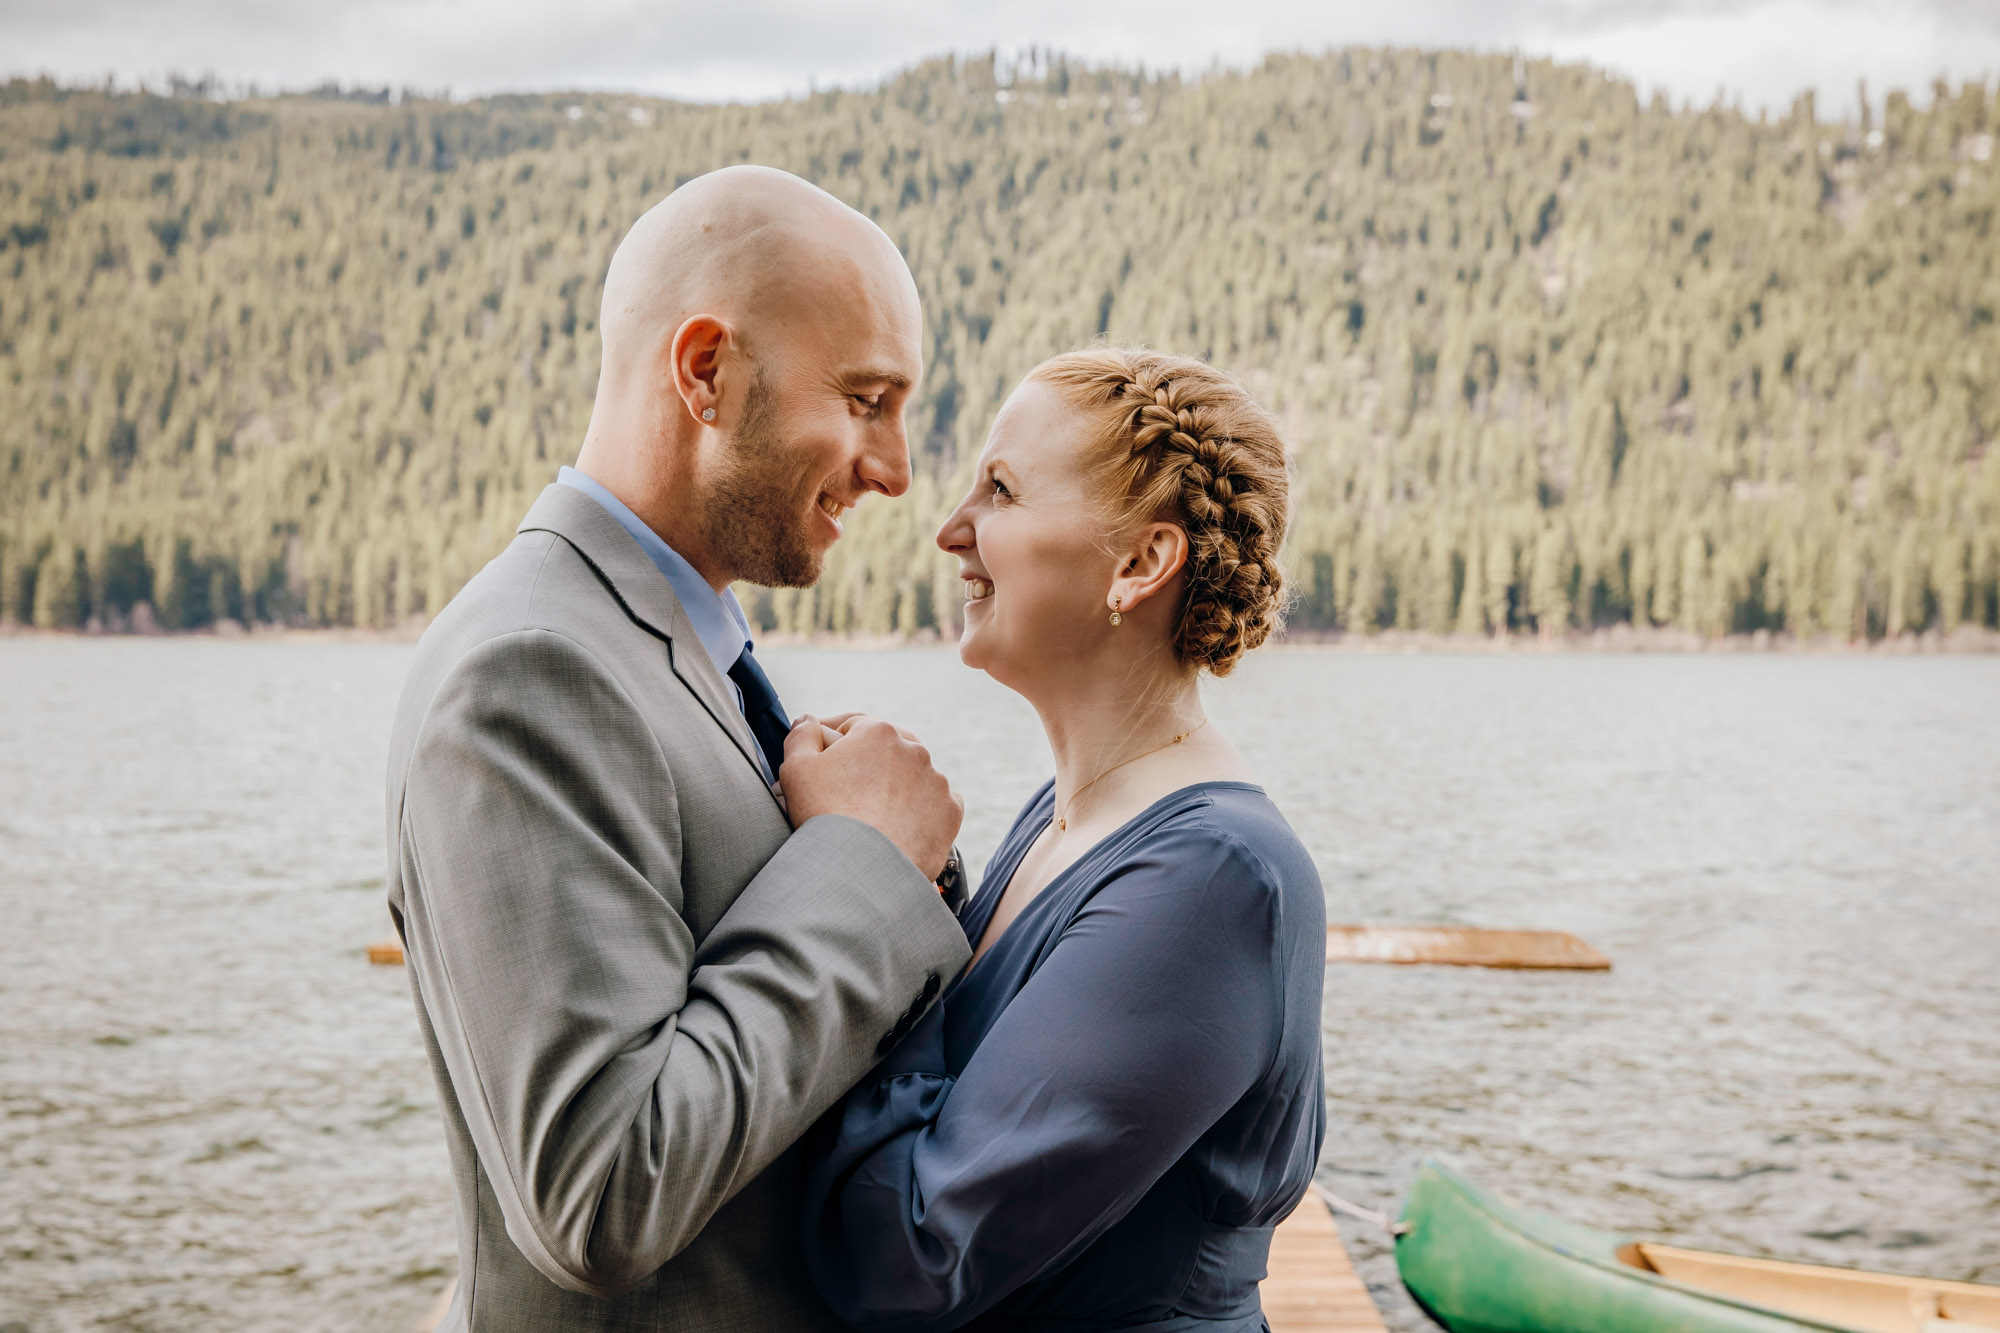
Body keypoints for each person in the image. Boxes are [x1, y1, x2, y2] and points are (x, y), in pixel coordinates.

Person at [384, 166, 974, 1333]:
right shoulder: (529, 671)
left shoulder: (663, 644)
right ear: (704, 370)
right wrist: (861, 858)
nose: (897, 469)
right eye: (864, 399)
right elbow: (600, 1191)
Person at [800, 346, 1328, 1333]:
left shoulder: (1213, 882)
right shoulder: (1063, 815)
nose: (951, 529)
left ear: (1137, 563)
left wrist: (868, 880)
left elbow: (910, 1259)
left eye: (998, 490)